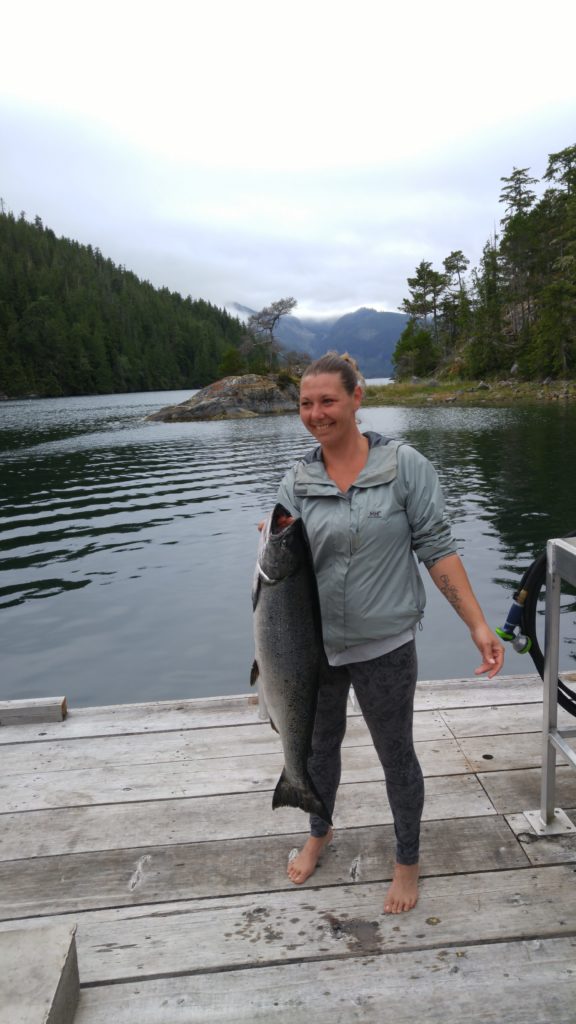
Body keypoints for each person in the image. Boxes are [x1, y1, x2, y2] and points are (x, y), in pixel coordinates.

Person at [273, 351, 505, 914]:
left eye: (328, 400)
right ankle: (319, 828)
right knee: (316, 748)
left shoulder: (405, 467)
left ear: (357, 398)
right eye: (306, 403)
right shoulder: (298, 479)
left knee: (395, 754)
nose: (316, 413)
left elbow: (437, 548)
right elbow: (278, 569)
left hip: (386, 648)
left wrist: (477, 624)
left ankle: (407, 860)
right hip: (314, 651)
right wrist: (274, 534)